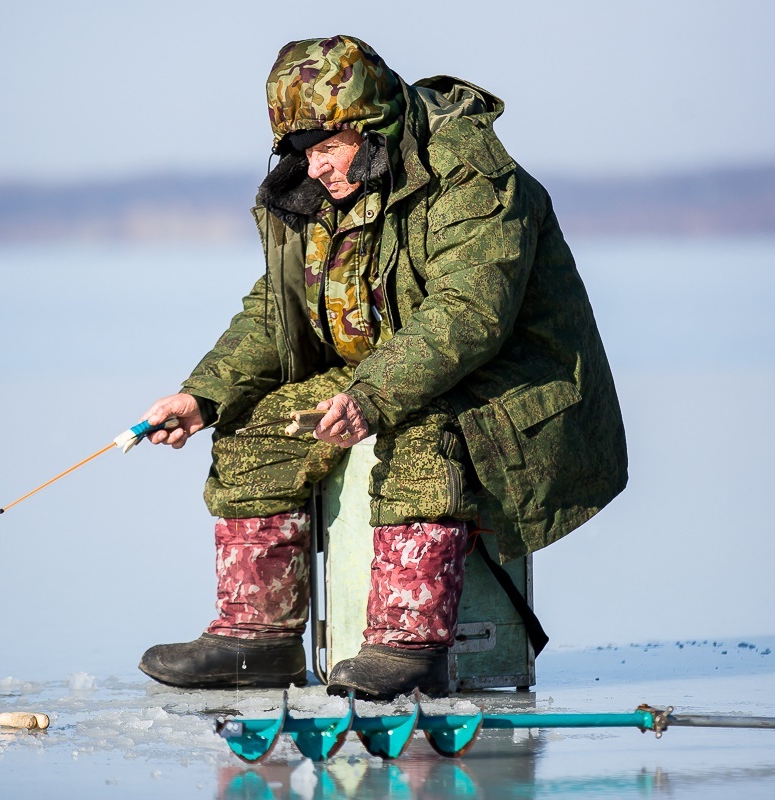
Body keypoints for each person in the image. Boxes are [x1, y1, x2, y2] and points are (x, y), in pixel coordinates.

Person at [136, 35, 627, 700]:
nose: (314, 168)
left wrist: (372, 394)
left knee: (422, 439)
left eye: (325, 147)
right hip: (393, 370)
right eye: (302, 150)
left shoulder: (472, 179)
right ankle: (255, 641)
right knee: (256, 433)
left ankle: (408, 647)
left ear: (370, 129)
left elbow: (468, 313)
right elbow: (277, 312)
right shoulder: (329, 192)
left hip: (514, 384)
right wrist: (203, 395)